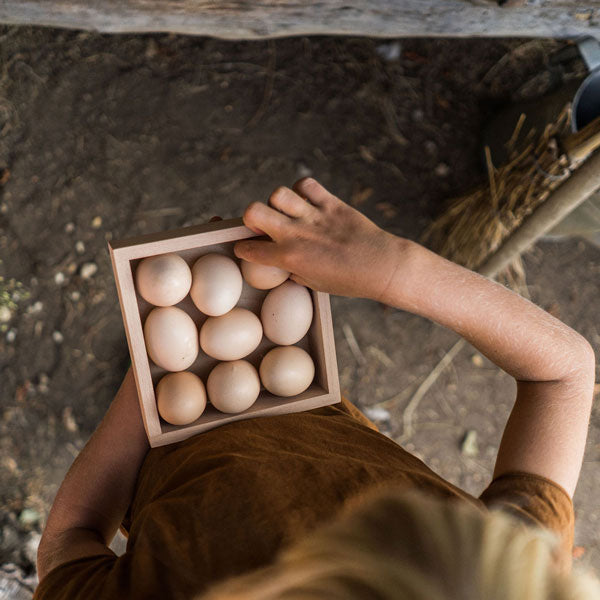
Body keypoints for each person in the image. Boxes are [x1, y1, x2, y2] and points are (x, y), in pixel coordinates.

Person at [34, 178, 598, 599]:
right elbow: (563, 374)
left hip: (165, 454)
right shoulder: (493, 571)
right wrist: (397, 270)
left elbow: (71, 541)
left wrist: (164, 369)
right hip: (297, 401)